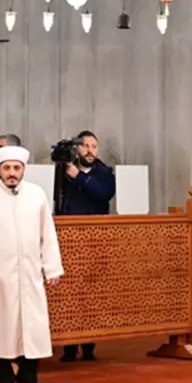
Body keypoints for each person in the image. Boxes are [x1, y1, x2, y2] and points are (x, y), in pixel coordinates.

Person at [0, 146, 63, 383]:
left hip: (30, 271)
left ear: (24, 169)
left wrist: (52, 268)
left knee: (32, 324)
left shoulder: (36, 194)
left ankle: (28, 373)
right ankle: (5, 377)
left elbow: (47, 233)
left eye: (16, 168)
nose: (12, 173)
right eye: (7, 168)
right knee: (0, 326)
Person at [57, 129, 114, 362]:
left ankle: (89, 344)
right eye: (85, 146)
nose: (89, 150)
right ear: (76, 149)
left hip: (95, 241)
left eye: (93, 146)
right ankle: (69, 345)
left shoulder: (104, 172)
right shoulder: (62, 171)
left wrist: (78, 177)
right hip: (70, 240)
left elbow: (104, 194)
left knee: (92, 294)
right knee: (70, 292)